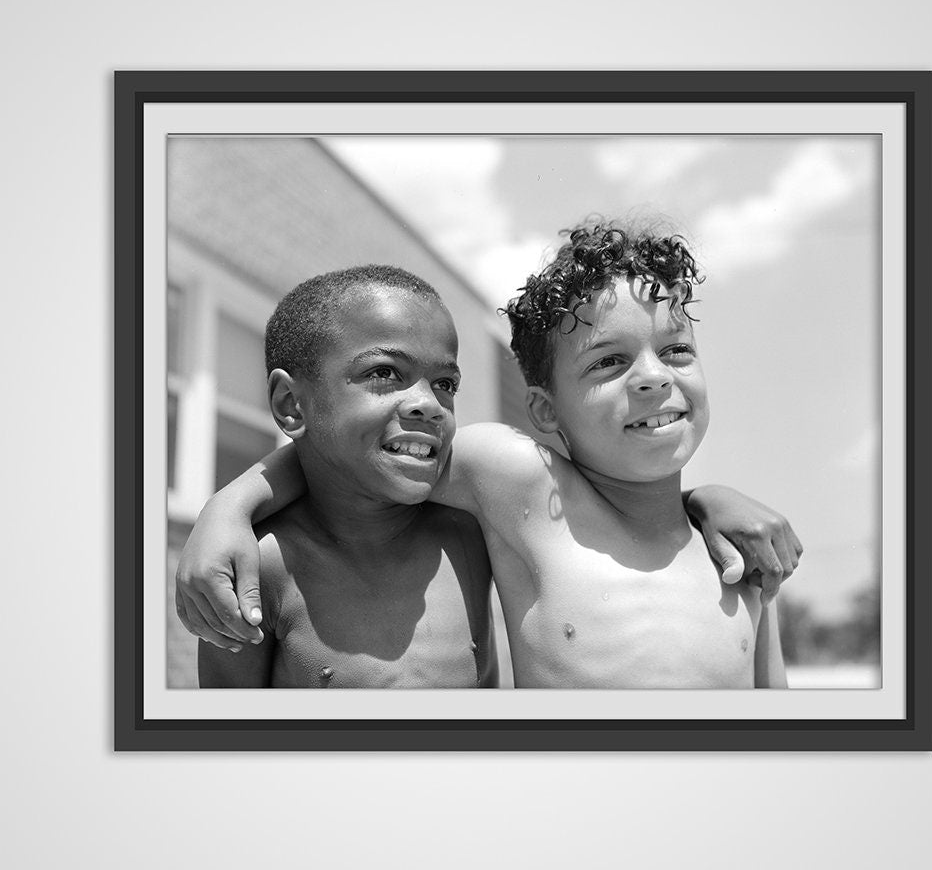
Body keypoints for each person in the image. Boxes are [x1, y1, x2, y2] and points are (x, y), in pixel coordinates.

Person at [183, 221, 802, 687]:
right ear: (544, 412)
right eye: (609, 361)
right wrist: (229, 508)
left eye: (677, 351)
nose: (652, 378)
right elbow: (353, 454)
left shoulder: (741, 562)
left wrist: (706, 499)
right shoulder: (515, 482)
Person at [198, 265, 498, 687]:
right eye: (384, 373)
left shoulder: (473, 535)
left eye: (446, 382)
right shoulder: (261, 569)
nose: (429, 403)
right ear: (291, 405)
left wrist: (227, 505)